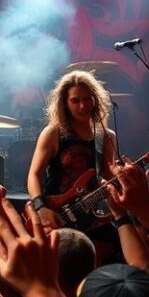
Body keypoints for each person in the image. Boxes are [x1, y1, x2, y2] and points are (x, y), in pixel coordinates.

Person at [27, 69, 116, 230]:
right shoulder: (53, 133)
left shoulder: (106, 136)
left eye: (87, 99)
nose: (83, 106)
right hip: (55, 215)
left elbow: (108, 176)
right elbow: (34, 174)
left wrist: (126, 179)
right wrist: (40, 207)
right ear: (65, 104)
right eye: (75, 101)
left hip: (90, 215)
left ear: (95, 100)